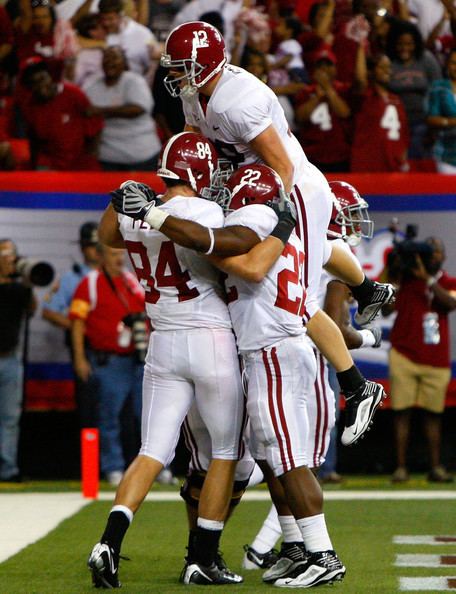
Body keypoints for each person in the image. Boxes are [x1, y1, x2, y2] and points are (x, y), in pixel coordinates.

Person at [113, 162, 347, 588]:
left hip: (266, 349)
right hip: (264, 348)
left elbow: (247, 264)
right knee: (270, 459)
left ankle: (321, 554)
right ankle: (293, 549)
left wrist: (158, 216)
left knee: (283, 461)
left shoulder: (255, 220)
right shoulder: (281, 228)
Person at [159, 21, 393, 447]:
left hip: (291, 188)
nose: (176, 75)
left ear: (206, 63)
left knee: (294, 301)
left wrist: (274, 215)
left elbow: (281, 164)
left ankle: (358, 386)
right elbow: (201, 141)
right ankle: (367, 289)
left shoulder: (235, 101)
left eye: (182, 66)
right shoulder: (200, 92)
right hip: (254, 184)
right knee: (302, 275)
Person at [88, 132, 288, 587]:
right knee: (224, 451)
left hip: (162, 340)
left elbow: (108, 237)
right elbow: (225, 249)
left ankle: (109, 543)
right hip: (209, 336)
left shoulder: (143, 214)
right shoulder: (204, 211)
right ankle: (202, 557)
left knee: (152, 451)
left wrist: (120, 202)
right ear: (199, 169)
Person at [243, 181, 383, 569]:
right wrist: (370, 337)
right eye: (349, 213)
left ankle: (280, 544)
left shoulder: (290, 238)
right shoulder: (328, 249)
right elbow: (335, 324)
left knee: (281, 457)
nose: (355, 222)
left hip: (269, 349)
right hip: (305, 356)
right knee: (300, 461)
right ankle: (281, 547)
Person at [69, 244, 145, 486]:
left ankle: (149, 468)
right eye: (113, 255)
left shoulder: (131, 281)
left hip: (137, 358)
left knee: (145, 416)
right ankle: (113, 466)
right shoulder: (89, 283)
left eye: (121, 254)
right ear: (102, 256)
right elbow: (77, 321)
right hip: (108, 360)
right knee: (108, 415)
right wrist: (80, 358)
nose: (119, 259)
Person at [386, 236, 456, 484]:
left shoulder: (448, 281)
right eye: (429, 251)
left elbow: (450, 304)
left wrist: (426, 278)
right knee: (401, 413)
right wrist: (395, 273)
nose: (433, 255)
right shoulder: (405, 279)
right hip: (404, 353)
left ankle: (435, 467)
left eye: (437, 251)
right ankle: (401, 468)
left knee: (433, 415)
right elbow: (385, 309)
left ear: (443, 257)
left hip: (435, 359)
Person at [42, 222, 99, 427]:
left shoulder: (115, 274)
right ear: (83, 248)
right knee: (89, 411)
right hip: (86, 348)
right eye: (93, 246)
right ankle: (90, 458)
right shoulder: (72, 277)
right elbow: (49, 311)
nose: (97, 250)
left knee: (117, 413)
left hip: (116, 351)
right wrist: (78, 326)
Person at [84, 46, 161, 171]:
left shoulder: (135, 81)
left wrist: (100, 111)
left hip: (141, 154)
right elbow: (86, 113)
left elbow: (137, 109)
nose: (110, 62)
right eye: (106, 58)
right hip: (107, 156)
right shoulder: (92, 85)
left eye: (115, 58)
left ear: (124, 63)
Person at [18, 59, 103, 170]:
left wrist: (92, 155)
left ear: (50, 77)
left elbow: (96, 125)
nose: (40, 85)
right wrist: (34, 167)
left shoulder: (73, 94)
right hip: (52, 165)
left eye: (43, 78)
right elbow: (34, 140)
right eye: (34, 83)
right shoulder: (30, 105)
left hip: (80, 163)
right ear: (29, 88)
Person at [0, 239, 36, 482]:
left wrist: (28, 282)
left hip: (11, 358)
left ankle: (8, 468)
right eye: (5, 255)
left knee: (10, 418)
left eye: (13, 254)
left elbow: (31, 309)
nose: (10, 259)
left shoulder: (18, 289)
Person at [386, 20, 441, 159]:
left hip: (422, 122)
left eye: (409, 44)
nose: (405, 48)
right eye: (400, 44)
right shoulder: (388, 62)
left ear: (416, 43)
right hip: (395, 125)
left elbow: (438, 89)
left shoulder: (426, 59)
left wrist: (433, 127)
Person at [294, 48, 352, 173]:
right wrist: (317, 97)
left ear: (335, 68)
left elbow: (344, 113)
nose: (324, 69)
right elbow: (300, 117)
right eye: (320, 65)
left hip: (339, 156)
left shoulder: (343, 89)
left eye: (328, 65)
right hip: (312, 156)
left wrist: (328, 89)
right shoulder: (305, 92)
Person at [351, 53, 409, 172]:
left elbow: (404, 133)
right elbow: (360, 79)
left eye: (389, 67)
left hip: (393, 164)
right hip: (368, 163)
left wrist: (403, 156)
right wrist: (361, 45)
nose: (387, 71)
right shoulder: (365, 96)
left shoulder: (396, 100)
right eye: (382, 67)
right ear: (371, 71)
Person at [427, 48, 456, 174]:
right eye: (454, 63)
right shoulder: (438, 87)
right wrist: (452, 121)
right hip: (447, 157)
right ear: (447, 65)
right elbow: (432, 119)